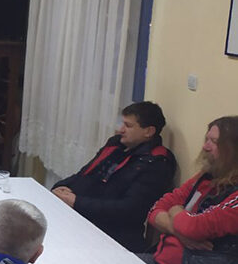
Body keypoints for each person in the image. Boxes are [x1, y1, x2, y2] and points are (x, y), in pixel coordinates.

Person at [52, 101, 177, 252]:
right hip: (82, 216)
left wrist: (77, 202)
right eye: (122, 123)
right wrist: (60, 187)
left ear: (148, 131)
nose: (120, 130)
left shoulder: (157, 163)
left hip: (113, 234)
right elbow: (85, 173)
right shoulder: (116, 144)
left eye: (128, 126)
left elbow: (129, 209)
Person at [144, 117, 238, 264]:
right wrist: (179, 231)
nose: (205, 147)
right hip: (161, 263)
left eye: (214, 142)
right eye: (206, 139)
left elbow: (194, 227)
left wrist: (176, 211)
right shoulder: (205, 178)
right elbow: (155, 210)